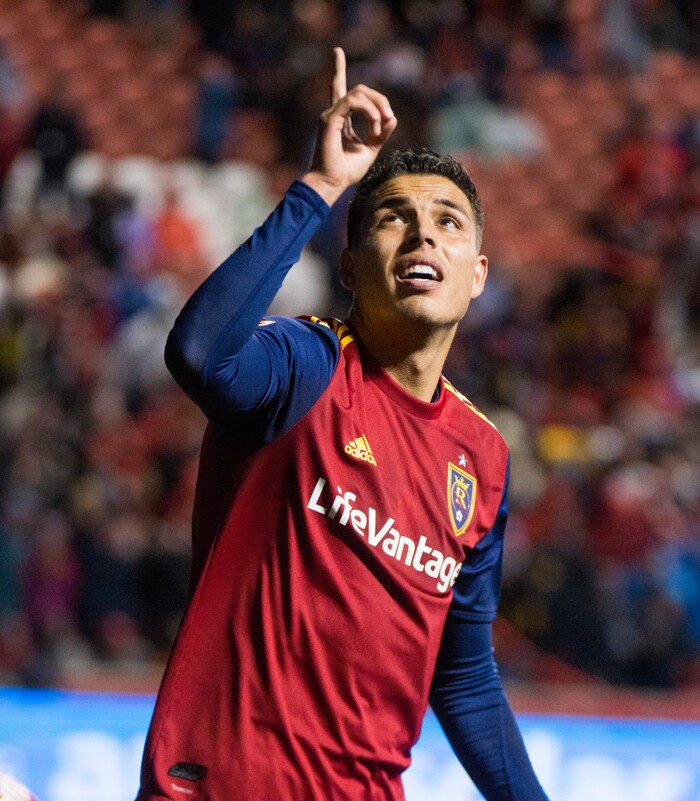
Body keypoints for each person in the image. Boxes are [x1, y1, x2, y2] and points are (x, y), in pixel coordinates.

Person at [136, 48, 549, 801]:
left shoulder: (483, 455)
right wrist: (322, 186)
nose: (425, 237)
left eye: (448, 223)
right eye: (394, 219)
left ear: (478, 272)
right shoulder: (308, 362)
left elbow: (463, 678)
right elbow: (198, 354)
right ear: (354, 266)